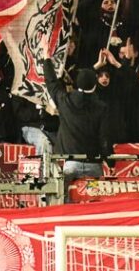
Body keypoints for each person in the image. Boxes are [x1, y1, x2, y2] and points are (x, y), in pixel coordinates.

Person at [43, 58, 109, 192]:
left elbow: (52, 83)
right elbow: (104, 137)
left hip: (71, 164)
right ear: (95, 85)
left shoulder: (65, 101)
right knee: (94, 202)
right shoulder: (101, 107)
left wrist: (46, 59)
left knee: (65, 203)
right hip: (94, 165)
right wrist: (109, 160)